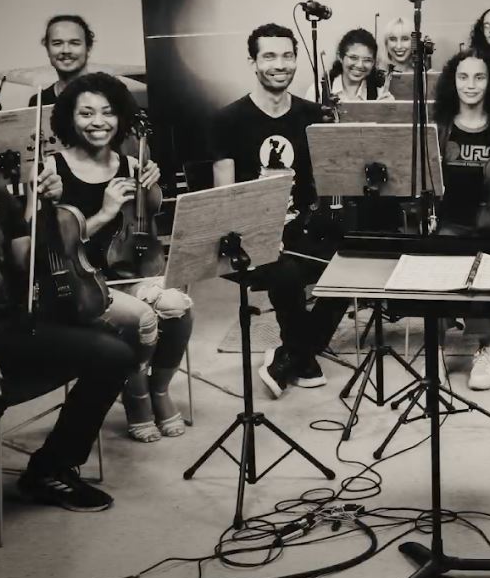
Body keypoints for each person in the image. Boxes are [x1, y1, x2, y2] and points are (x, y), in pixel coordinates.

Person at [0, 88, 138, 537]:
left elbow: (28, 263)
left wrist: (42, 206)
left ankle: (49, 469)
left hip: (6, 329)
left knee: (115, 353)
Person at [44, 73, 194, 442]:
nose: (98, 122)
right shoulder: (53, 169)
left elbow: (148, 215)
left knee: (178, 307)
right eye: (86, 113)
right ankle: (136, 395)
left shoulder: (131, 163)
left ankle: (160, 390)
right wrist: (105, 212)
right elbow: (53, 248)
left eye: (108, 112)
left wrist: (152, 185)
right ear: (69, 118)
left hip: (129, 272)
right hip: (83, 285)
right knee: (143, 319)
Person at [210, 23, 349, 398]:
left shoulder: (312, 114)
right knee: (286, 273)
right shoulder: (228, 119)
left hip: (302, 227)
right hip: (251, 233)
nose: (280, 64)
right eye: (269, 56)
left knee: (352, 265)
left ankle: (292, 352)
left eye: (287, 55)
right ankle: (303, 356)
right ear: (253, 62)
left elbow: (328, 180)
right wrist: (255, 233)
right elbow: (223, 197)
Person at [432, 47, 490, 390]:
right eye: (463, 76)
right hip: (449, 220)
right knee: (439, 258)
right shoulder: (440, 128)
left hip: (489, 222)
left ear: (489, 81)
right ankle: (436, 350)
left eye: (479, 77)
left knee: (484, 259)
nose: (470, 84)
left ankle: (486, 350)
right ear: (452, 82)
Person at [304, 27, 387, 103]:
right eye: (353, 58)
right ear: (340, 56)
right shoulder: (317, 91)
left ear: (374, 62)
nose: (360, 65)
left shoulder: (380, 94)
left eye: (367, 60)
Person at [29, 15, 95, 107]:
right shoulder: (39, 102)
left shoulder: (111, 93)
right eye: (57, 43)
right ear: (48, 50)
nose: (66, 50)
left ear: (88, 49)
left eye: (74, 43)